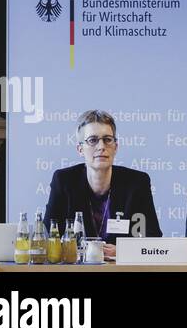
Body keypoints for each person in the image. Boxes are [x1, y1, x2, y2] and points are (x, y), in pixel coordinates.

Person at [46, 110, 162, 258]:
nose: (101, 146)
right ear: (80, 149)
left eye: (107, 139)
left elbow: (153, 239)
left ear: (116, 147)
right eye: (93, 140)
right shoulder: (64, 180)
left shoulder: (136, 183)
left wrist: (123, 251)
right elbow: (49, 235)